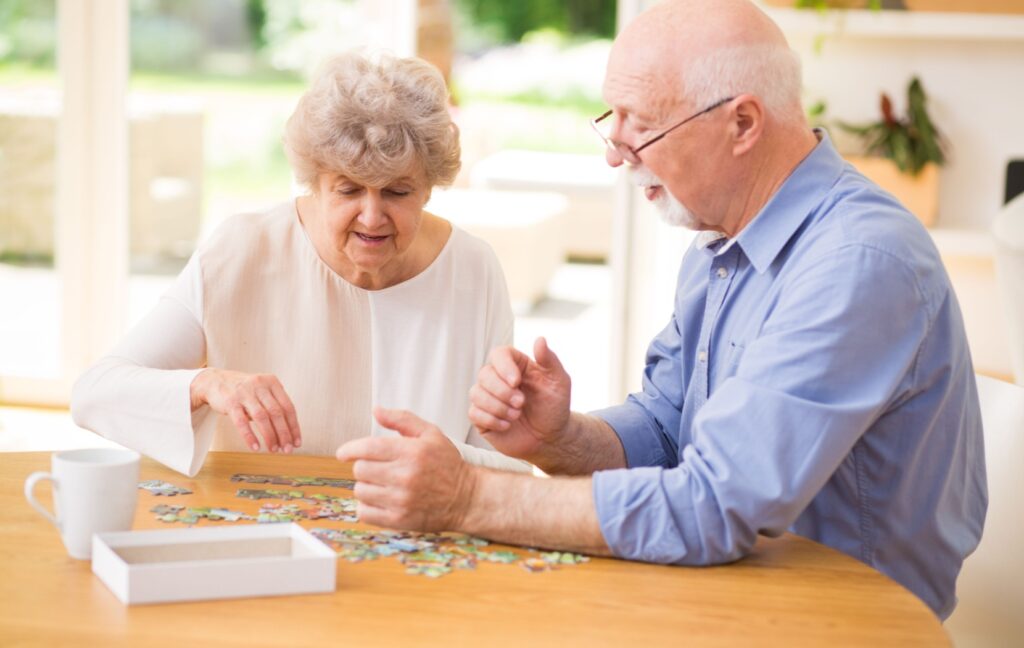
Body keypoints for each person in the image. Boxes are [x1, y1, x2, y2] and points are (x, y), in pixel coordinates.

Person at [336, 0, 986, 620]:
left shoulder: (857, 262)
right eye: (610, 118)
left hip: (844, 621)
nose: (614, 151)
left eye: (641, 122)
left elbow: (714, 505)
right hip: (733, 594)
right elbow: (668, 432)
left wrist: (468, 496)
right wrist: (559, 438)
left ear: (742, 124)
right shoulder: (719, 243)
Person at [71, 51, 529, 476]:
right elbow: (95, 393)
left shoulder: (473, 269)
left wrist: (439, 462)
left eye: (397, 191)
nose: (372, 216)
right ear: (314, 182)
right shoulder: (243, 250)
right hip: (261, 533)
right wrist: (207, 384)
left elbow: (503, 465)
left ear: (429, 187)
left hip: (424, 538)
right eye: (348, 190)